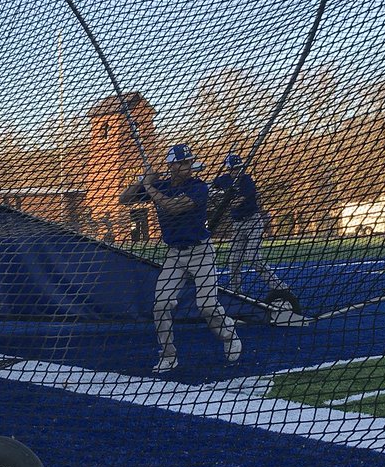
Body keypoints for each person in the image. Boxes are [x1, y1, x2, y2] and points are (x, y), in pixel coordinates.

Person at [119, 144, 242, 374]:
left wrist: (149, 186)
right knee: (161, 305)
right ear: (172, 166)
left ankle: (229, 334)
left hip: (201, 252)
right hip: (174, 255)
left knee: (206, 306)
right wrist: (142, 179)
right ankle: (168, 355)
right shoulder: (161, 185)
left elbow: (173, 207)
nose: (188, 166)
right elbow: (123, 199)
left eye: (188, 162)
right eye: (182, 163)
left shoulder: (198, 187)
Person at [211, 152, 287, 298]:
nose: (236, 171)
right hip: (237, 224)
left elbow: (236, 202)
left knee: (253, 257)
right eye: (233, 169)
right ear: (228, 169)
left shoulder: (247, 181)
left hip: (253, 222)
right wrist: (215, 192)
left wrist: (223, 199)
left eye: (238, 168)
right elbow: (213, 185)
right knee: (234, 260)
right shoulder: (225, 179)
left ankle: (280, 288)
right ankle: (236, 291)